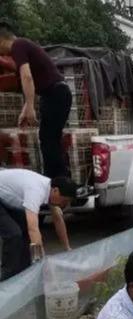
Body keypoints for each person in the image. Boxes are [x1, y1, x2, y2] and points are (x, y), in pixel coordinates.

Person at [0, 20, 72, 179]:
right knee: (49, 140)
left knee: (49, 141)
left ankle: (56, 184)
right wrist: (26, 108)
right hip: (52, 95)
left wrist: (31, 106)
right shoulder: (21, 46)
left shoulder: (18, 45)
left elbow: (27, 77)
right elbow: (30, 82)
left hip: (57, 94)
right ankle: (57, 182)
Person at [0, 169, 76, 281]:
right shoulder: (36, 191)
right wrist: (43, 261)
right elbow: (33, 229)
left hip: (6, 198)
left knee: (24, 229)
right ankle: (6, 279)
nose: (63, 205)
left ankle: (23, 273)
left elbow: (58, 219)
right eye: (64, 201)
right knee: (14, 234)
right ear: (55, 191)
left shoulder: (49, 187)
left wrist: (67, 248)